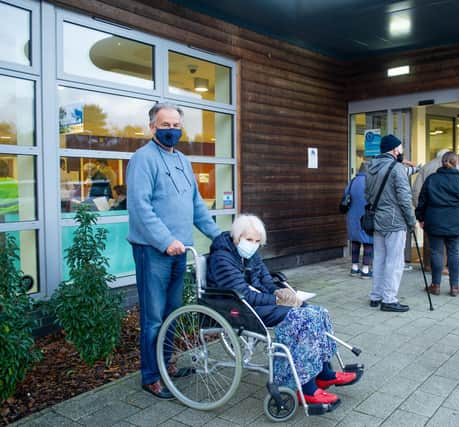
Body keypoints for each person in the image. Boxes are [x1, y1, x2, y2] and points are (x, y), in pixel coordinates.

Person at [206, 214, 357, 406]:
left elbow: (265, 280)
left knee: (317, 312)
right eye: (249, 239)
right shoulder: (222, 258)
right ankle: (306, 387)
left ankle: (323, 372)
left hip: (254, 303)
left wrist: (281, 292)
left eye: (257, 241)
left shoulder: (250, 254)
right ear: (236, 238)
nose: (253, 244)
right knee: (301, 318)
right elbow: (244, 294)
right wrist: (278, 300)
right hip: (236, 307)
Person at [127, 102, 221, 399]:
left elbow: (196, 206)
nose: (172, 130)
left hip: (181, 251)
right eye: (165, 125)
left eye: (175, 125)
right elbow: (140, 207)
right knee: (154, 317)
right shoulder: (143, 159)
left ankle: (167, 365)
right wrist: (165, 240)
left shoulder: (183, 160)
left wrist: (220, 237)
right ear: (152, 127)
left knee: (172, 314)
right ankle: (151, 376)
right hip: (153, 251)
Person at [365, 134, 416, 313]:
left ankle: (375, 296)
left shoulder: (370, 167)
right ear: (394, 149)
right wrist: (412, 220)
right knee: (395, 262)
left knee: (379, 259)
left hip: (377, 220)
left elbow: (368, 195)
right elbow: (404, 197)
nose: (402, 151)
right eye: (401, 147)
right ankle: (389, 299)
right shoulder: (396, 168)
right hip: (394, 222)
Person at [415, 151, 459, 297]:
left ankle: (435, 285)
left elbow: (421, 201)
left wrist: (420, 218)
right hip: (456, 222)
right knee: (454, 253)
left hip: (434, 221)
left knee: (436, 253)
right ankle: (454, 287)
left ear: (442, 162)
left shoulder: (431, 179)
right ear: (456, 163)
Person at [342, 162, 373, 278]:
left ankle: (354, 268)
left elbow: (345, 196)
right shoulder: (370, 182)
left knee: (355, 241)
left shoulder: (353, 181)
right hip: (366, 216)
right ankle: (365, 269)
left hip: (352, 216)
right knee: (368, 242)